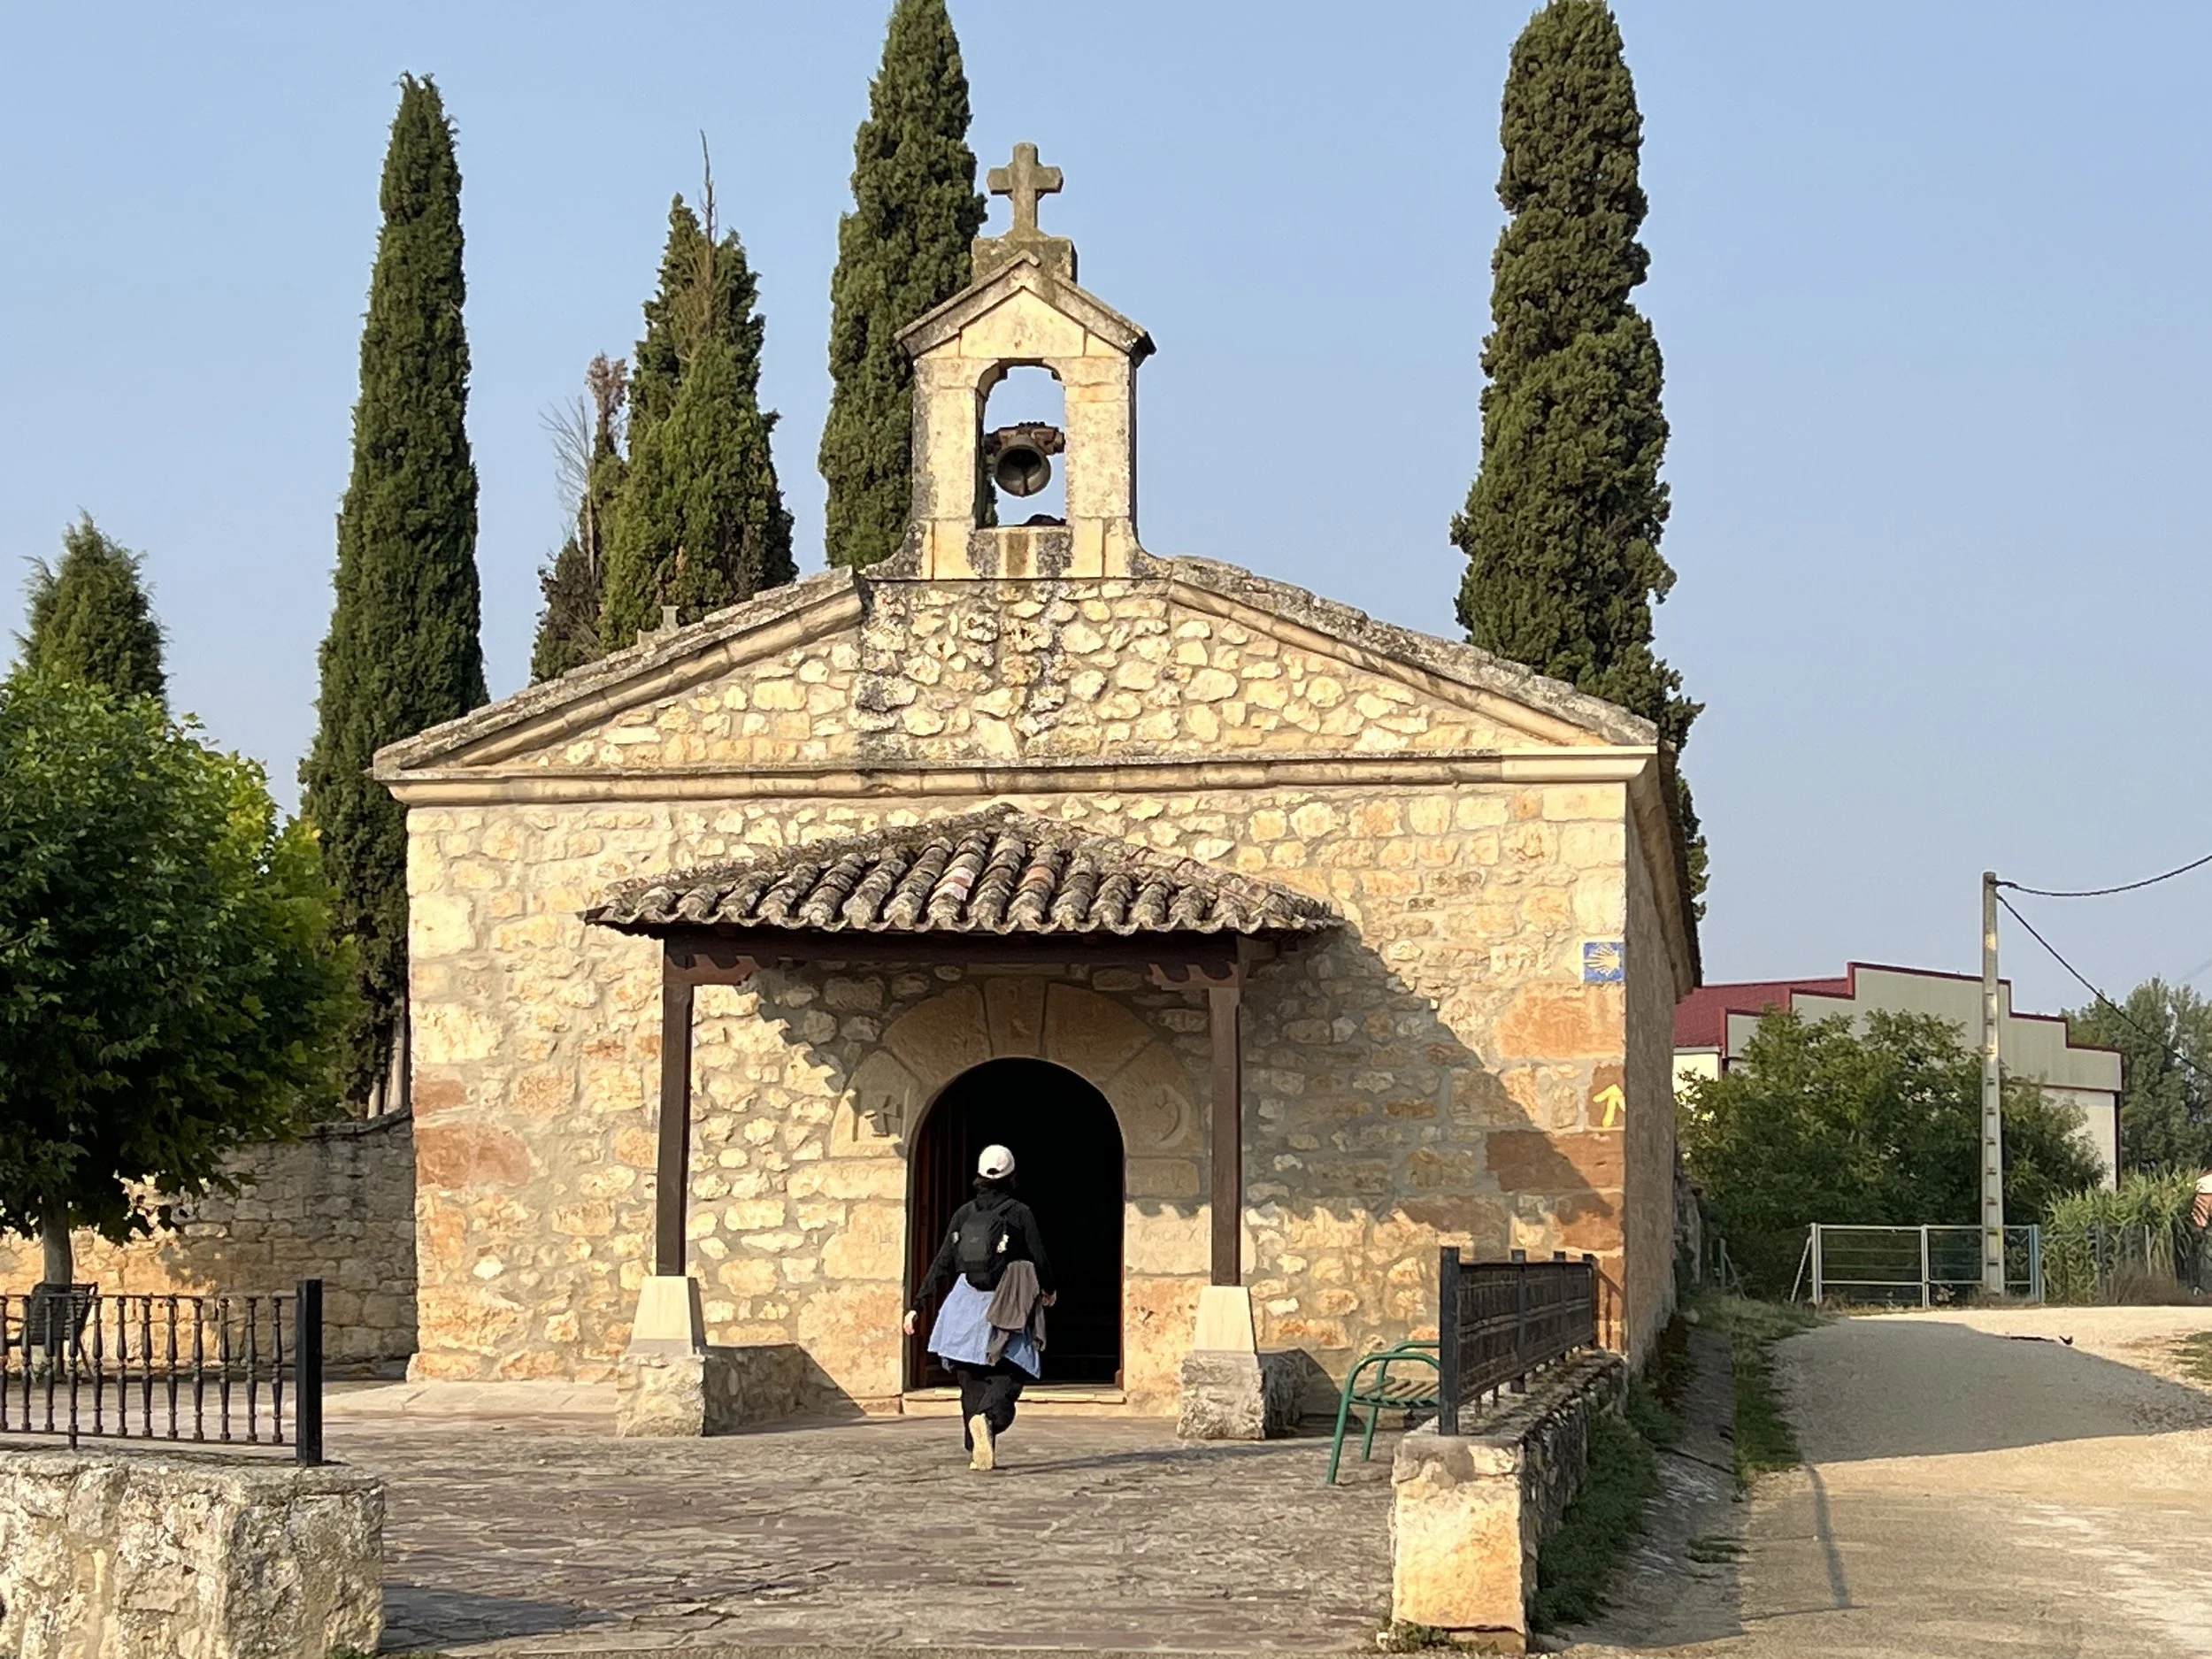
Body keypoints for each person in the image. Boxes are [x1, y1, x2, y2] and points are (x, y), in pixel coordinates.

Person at [905, 1144, 1056, 1471]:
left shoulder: (965, 1213)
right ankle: (988, 1419)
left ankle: (977, 1447)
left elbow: (943, 1260)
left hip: (963, 1304)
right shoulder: (1019, 1212)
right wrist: (1048, 1288)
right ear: (1012, 1174)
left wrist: (918, 1304)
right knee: (1009, 1373)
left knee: (969, 1379)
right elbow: (1038, 1255)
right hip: (1005, 1303)